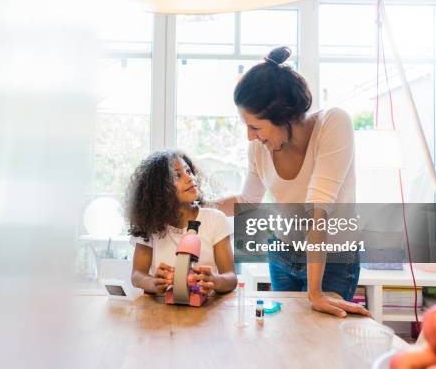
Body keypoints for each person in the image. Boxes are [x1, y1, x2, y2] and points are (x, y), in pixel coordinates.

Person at [215, 46, 371, 318]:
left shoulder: (333, 123)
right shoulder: (259, 149)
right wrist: (196, 206)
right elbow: (247, 201)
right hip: (282, 253)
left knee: (321, 344)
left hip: (332, 260)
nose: (250, 136)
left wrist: (315, 294)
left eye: (255, 126)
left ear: (283, 116)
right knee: (287, 337)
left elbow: (318, 210)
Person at [126, 150, 237, 296]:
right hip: (161, 310)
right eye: (177, 175)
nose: (190, 178)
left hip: (205, 312)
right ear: (159, 189)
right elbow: (137, 275)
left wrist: (213, 281)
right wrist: (153, 283)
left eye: (188, 171)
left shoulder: (215, 220)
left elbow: (231, 278)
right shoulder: (149, 226)